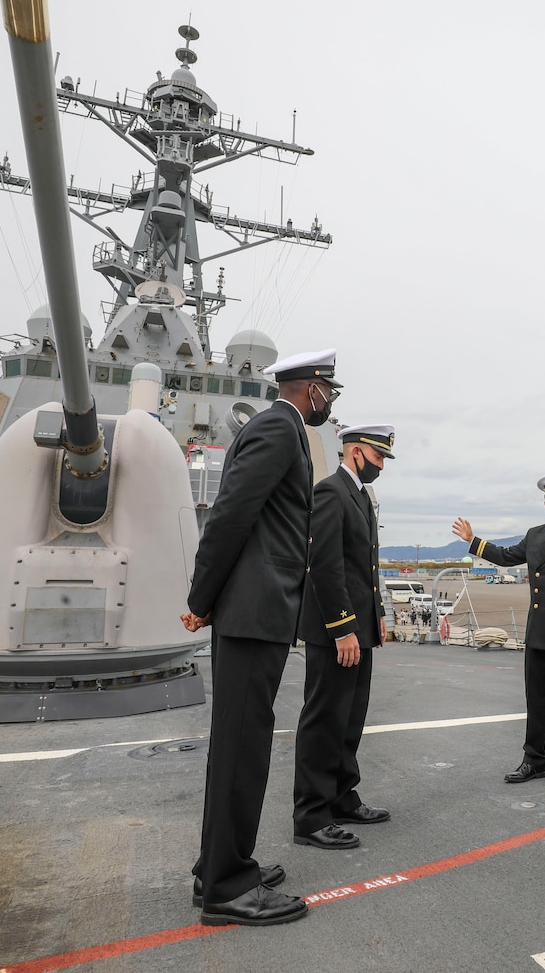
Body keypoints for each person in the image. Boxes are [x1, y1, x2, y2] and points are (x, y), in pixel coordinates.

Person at [182, 348, 342, 927]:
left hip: (258, 612)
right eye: (331, 393)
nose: (332, 403)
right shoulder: (279, 428)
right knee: (241, 749)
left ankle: (218, 864)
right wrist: (201, 599)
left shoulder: (283, 430)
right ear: (311, 389)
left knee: (240, 745)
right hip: (253, 611)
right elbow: (230, 515)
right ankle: (226, 887)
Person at [452, 472, 545, 787]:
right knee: (537, 700)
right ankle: (534, 761)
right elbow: (505, 557)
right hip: (540, 633)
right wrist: (474, 541)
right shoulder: (535, 535)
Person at [293, 424, 396, 851]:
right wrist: (343, 629)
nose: (381, 466)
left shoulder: (360, 495)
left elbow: (363, 570)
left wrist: (378, 617)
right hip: (337, 632)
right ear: (355, 451)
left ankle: (341, 797)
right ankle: (311, 816)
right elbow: (326, 565)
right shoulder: (331, 491)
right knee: (324, 720)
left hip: (360, 628)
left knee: (350, 718)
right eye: (377, 458)